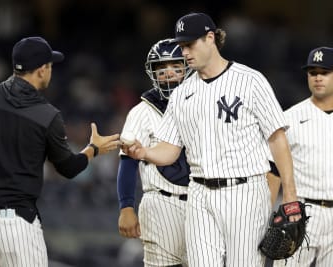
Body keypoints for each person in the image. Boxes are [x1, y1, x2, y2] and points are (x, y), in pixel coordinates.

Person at [122, 12, 300, 267]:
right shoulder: (182, 93)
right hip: (200, 194)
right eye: (182, 45)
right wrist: (144, 153)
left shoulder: (250, 80)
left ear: (210, 38)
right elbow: (170, 150)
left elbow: (277, 138)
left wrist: (290, 194)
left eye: (190, 44)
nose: (184, 52)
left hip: (245, 192)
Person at [0, 36, 120, 267]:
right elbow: (68, 168)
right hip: (13, 223)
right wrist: (93, 149)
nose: (50, 71)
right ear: (42, 70)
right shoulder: (46, 114)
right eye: (50, 66)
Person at [117, 38, 192, 266]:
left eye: (175, 67)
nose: (168, 74)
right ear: (152, 73)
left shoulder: (201, 103)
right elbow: (127, 164)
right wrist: (126, 207)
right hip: (161, 202)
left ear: (187, 69)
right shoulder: (142, 111)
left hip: (201, 200)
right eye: (162, 68)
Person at [273, 47, 333, 266]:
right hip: (300, 212)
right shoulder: (289, 118)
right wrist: (262, 218)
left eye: (324, 72)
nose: (317, 77)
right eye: (312, 72)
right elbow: (272, 171)